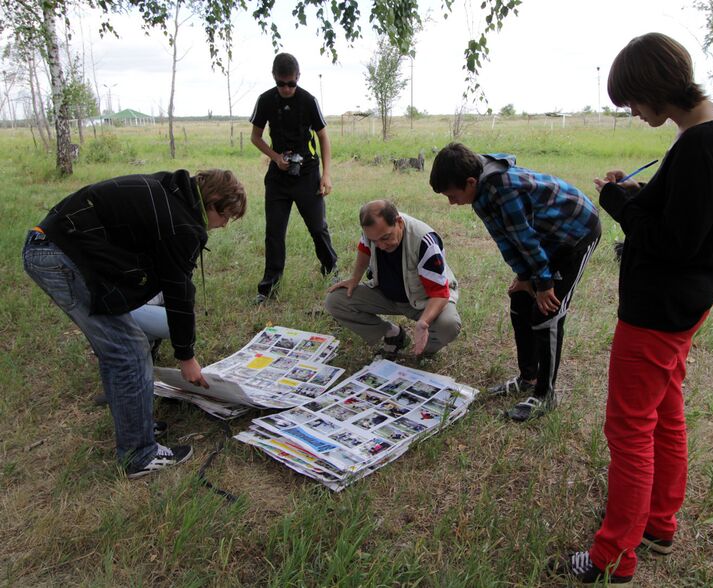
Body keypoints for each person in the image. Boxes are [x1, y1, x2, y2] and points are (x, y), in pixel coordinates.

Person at [548, 33, 713, 584]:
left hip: (659, 311)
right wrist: (635, 194)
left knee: (629, 429)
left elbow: (671, 243)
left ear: (654, 89)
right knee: (664, 412)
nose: (634, 113)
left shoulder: (704, 145)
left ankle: (614, 556)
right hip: (681, 305)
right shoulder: (704, 132)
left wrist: (617, 204)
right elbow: (681, 213)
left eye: (633, 102)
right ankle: (659, 522)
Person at [22, 169, 247, 479]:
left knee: (118, 347)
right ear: (215, 200)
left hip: (52, 243)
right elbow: (178, 290)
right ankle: (139, 454)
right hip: (61, 255)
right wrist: (187, 357)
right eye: (226, 216)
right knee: (128, 350)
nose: (223, 225)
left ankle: (134, 422)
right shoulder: (182, 222)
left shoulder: (171, 190)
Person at [430, 142, 601, 422]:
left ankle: (546, 395)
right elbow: (506, 238)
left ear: (471, 182)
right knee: (521, 299)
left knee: (548, 312)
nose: (451, 202)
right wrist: (524, 278)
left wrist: (544, 285)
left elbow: (526, 240)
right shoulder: (480, 190)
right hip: (545, 234)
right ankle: (528, 378)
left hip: (575, 233)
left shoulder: (502, 189)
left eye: (452, 195)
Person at [250, 52, 337, 304]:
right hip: (278, 176)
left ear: (298, 77)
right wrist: (276, 157)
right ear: (274, 78)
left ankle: (331, 270)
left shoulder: (308, 100)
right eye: (281, 83)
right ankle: (268, 288)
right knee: (274, 232)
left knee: (318, 227)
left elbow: (323, 138)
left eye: (291, 83)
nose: (286, 88)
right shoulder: (265, 100)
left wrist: (326, 175)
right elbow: (256, 137)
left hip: (307, 174)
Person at [325, 200, 461, 357]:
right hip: (386, 294)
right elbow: (364, 248)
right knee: (335, 300)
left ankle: (424, 351)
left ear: (399, 222)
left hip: (424, 300)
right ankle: (393, 334)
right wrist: (354, 279)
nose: (381, 246)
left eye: (386, 238)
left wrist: (423, 323)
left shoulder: (424, 241)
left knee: (448, 325)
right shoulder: (373, 232)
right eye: (375, 240)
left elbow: (439, 293)